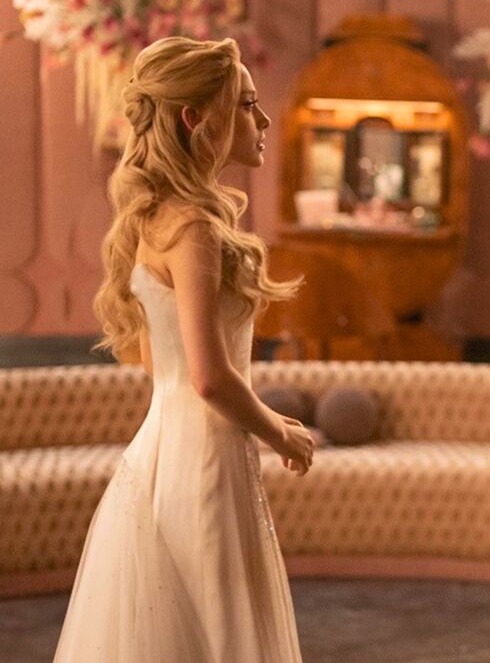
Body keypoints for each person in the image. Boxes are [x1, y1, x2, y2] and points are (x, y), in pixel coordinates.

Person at [55, 37, 313, 662]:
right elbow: (209, 379)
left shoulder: (154, 218)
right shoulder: (195, 227)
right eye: (247, 104)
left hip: (160, 451)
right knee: (220, 633)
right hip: (205, 459)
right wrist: (281, 432)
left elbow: (156, 365)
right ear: (196, 118)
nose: (263, 119)